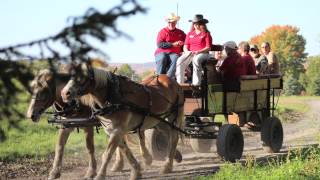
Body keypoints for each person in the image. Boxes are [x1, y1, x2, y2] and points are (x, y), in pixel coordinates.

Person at [175, 14, 212, 85]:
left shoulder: (206, 34)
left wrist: (198, 51)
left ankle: (196, 84)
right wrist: (187, 52)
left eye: (198, 23)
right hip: (191, 53)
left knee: (196, 59)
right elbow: (185, 46)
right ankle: (180, 84)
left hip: (203, 54)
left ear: (202, 24)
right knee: (180, 60)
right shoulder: (189, 34)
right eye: (194, 23)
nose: (196, 25)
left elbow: (208, 47)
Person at [154, 13, 186, 78]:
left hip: (174, 53)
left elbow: (187, 41)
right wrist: (173, 44)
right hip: (161, 52)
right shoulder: (162, 31)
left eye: (173, 22)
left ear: (176, 22)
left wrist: (182, 43)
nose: (171, 24)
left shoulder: (181, 33)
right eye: (169, 22)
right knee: (162, 58)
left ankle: (168, 78)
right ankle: (159, 78)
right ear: (167, 22)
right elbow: (159, 44)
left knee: (176, 59)